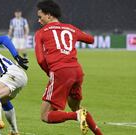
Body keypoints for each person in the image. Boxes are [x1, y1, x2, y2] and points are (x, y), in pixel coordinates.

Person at [34, 1, 103, 135]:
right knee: (75, 107)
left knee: (45, 115)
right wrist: (74, 32)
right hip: (77, 71)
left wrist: (51, 73)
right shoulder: (70, 28)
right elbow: (91, 40)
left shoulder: (40, 33)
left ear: (49, 15)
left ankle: (76, 116)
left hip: (60, 72)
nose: (38, 20)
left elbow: (41, 59)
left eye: (40, 16)